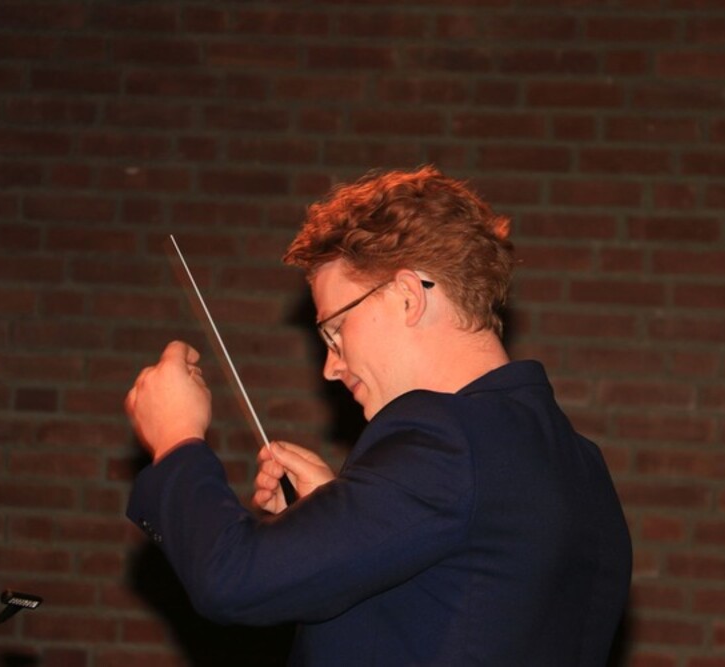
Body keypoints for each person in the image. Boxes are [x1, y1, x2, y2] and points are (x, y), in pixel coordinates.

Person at [125, 166, 632, 666]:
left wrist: (177, 442)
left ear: (408, 296)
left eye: (335, 330)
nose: (330, 367)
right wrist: (340, 516)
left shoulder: (445, 438)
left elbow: (233, 578)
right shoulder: (579, 463)